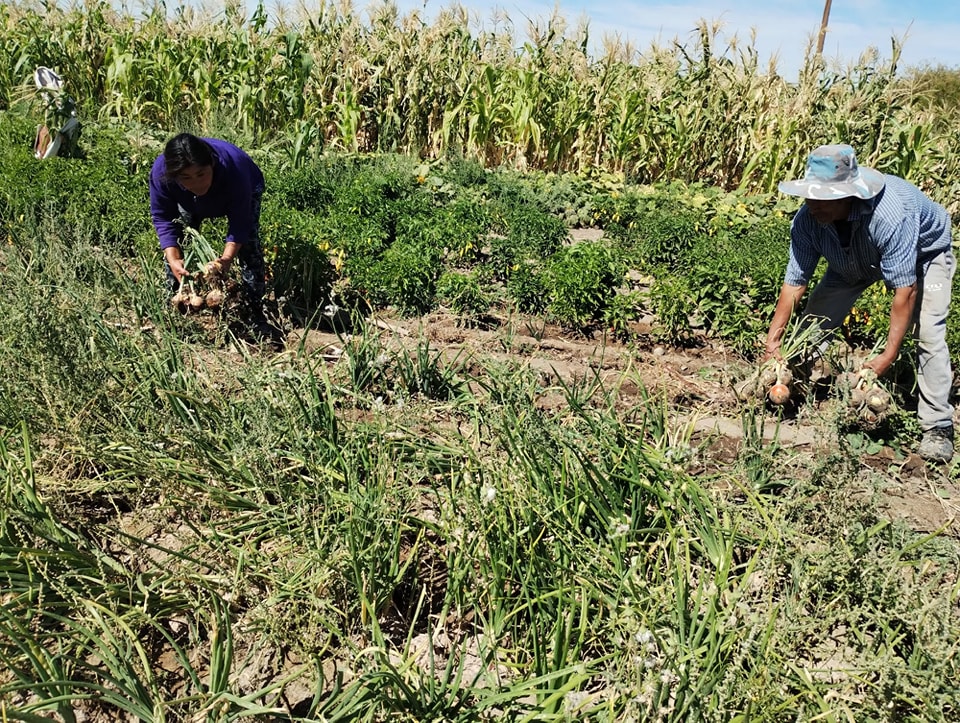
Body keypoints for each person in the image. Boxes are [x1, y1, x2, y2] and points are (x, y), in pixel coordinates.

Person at [763, 143, 955, 462]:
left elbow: (903, 292)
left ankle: (938, 426)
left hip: (925, 255)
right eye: (810, 194)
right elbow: (794, 284)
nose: (814, 203)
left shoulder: (891, 214)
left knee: (929, 334)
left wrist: (888, 355)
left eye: (824, 197)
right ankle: (791, 383)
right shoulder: (808, 221)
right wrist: (774, 341)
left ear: (849, 193)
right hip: (852, 258)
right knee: (813, 324)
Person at [149, 133, 280, 343]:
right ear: (175, 176)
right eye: (186, 178)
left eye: (201, 174)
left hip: (242, 187)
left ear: (212, 163)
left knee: (249, 246)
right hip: (187, 200)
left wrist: (226, 260)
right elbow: (163, 218)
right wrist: (173, 259)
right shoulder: (161, 173)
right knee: (178, 244)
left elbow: (240, 222)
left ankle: (255, 313)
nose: (197, 183)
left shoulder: (234, 169)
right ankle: (175, 305)